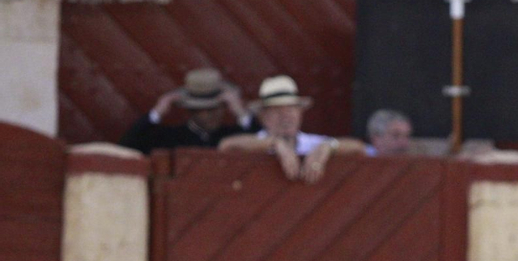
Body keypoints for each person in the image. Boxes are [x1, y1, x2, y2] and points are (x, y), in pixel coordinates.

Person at [219, 76, 365, 183]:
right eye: (277, 110)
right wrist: (275, 143)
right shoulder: (257, 141)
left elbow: (359, 148)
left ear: (300, 113)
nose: (286, 116)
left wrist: (328, 146)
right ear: (263, 116)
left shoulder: (312, 143)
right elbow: (227, 145)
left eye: (291, 109)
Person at [116, 68, 256, 154]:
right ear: (191, 111)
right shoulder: (169, 137)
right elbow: (126, 148)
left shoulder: (234, 135)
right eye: (205, 110)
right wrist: (156, 113)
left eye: (217, 108)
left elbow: (265, 141)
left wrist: (241, 113)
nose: (214, 115)